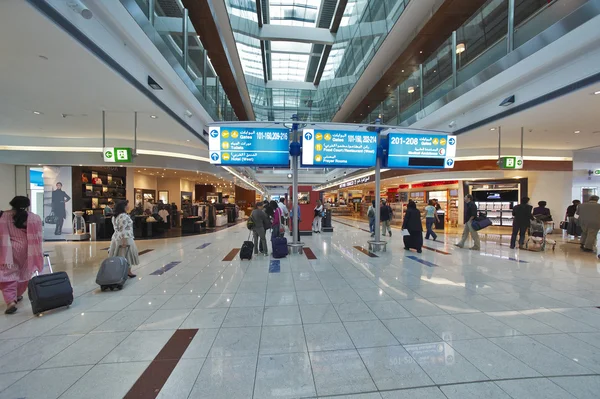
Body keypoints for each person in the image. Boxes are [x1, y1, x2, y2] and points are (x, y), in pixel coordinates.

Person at [0, 196, 44, 314]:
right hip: (28, 249)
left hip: (9, 249)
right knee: (24, 272)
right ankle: (18, 294)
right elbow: (39, 234)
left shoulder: (3, 216)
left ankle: (11, 301)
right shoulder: (33, 217)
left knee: (7, 273)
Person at [108, 201, 139, 278]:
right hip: (125, 238)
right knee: (126, 254)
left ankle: (119, 270)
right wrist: (124, 241)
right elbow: (123, 229)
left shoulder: (115, 217)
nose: (128, 206)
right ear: (124, 207)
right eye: (127, 205)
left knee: (117, 254)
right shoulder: (124, 216)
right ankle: (128, 271)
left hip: (116, 237)